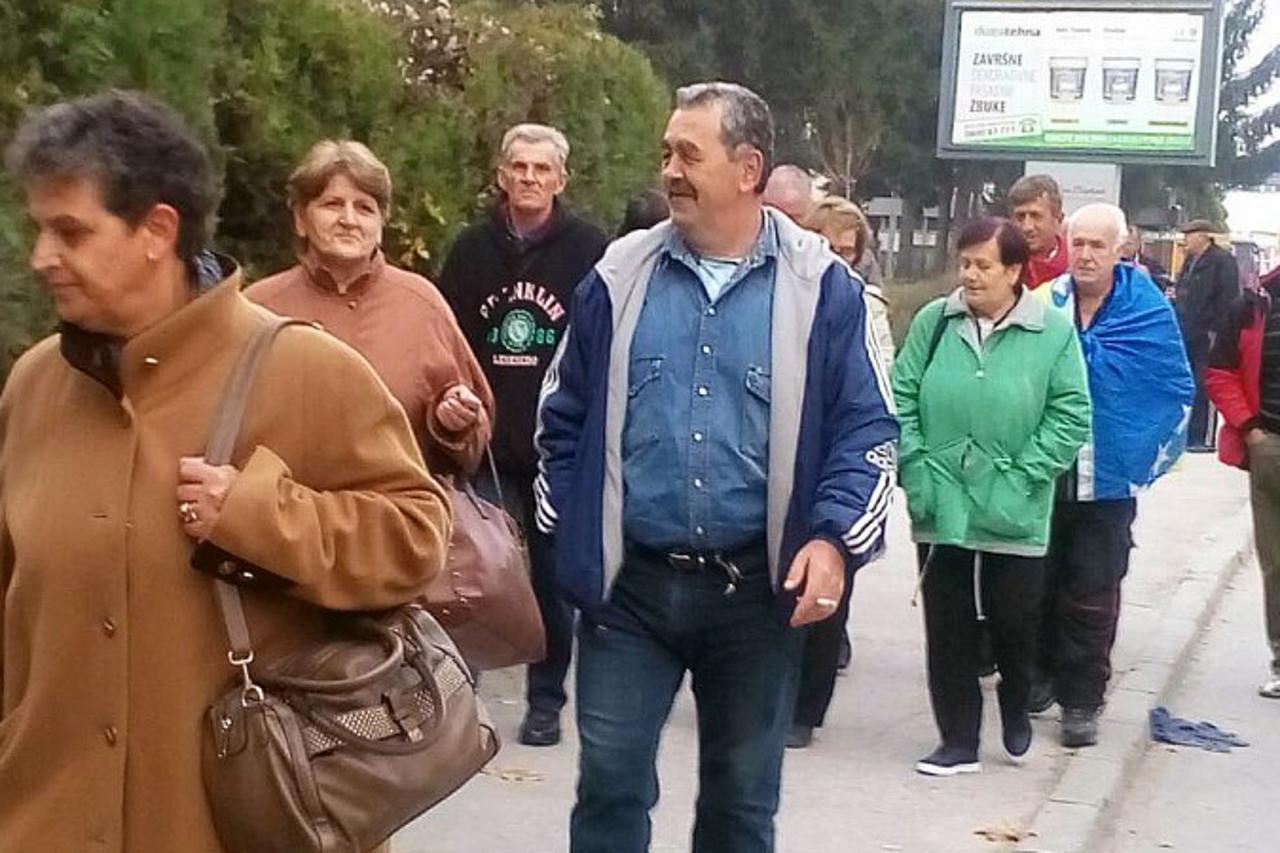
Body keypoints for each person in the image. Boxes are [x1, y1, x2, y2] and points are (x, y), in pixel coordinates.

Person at [0, 91, 451, 853]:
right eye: (39, 229)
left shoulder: (304, 369)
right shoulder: (34, 385)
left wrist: (261, 517)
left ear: (158, 230)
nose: (42, 256)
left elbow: (417, 537)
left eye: (70, 231)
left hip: (236, 826)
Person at [536, 82, 898, 852]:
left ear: (748, 169)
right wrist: (572, 534)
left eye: (688, 154)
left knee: (740, 806)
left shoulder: (825, 290)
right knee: (609, 786)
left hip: (756, 597)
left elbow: (868, 431)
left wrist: (833, 541)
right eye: (667, 152)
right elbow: (559, 416)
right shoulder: (617, 277)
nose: (669, 169)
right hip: (630, 591)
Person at [893, 217, 1090, 776]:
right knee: (947, 624)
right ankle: (957, 739)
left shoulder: (1052, 332)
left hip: (1014, 499)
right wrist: (916, 465)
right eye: (965, 264)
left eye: (984, 265)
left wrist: (1027, 473)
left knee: (1014, 620)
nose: (971, 276)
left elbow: (1071, 413)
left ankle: (1016, 696)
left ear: (1014, 271)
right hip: (942, 495)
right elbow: (901, 394)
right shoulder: (935, 322)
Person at [436, 123, 607, 746]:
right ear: (502, 176)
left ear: (561, 179)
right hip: (486, 443)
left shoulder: (590, 249)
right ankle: (462, 697)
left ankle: (545, 700)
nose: (530, 178)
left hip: (558, 447)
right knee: (478, 577)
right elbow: (445, 341)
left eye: (542, 169)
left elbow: (603, 344)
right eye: (520, 167)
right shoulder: (469, 250)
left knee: (552, 583)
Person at [1033, 204, 1194, 747]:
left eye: (1097, 245)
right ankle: (1039, 673)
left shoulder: (1146, 309)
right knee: (1038, 579)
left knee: (1092, 587)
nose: (1085, 255)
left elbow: (1170, 384)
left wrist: (1138, 450)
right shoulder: (1043, 303)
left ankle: (1082, 699)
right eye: (1078, 243)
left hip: (1109, 477)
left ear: (1121, 249)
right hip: (1045, 469)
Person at [246, 139, 493, 476]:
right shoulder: (257, 308)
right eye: (332, 204)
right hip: (284, 503)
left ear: (380, 224)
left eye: (364, 208)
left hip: (397, 505)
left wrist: (452, 424)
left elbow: (476, 438)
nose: (349, 220)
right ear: (301, 219)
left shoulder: (422, 305)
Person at [786, 193, 895, 749]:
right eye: (826, 245)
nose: (836, 257)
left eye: (847, 250)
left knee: (831, 573)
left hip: (838, 452)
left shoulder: (864, 305)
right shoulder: (782, 293)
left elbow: (880, 385)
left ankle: (807, 707)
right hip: (786, 449)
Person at [1204, 270, 1280, 698]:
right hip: (1271, 447)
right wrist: (1250, 431)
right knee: (1277, 562)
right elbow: (1220, 371)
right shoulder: (1254, 305)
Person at [1174, 219, 1241, 451]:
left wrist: (1218, 332)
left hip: (1209, 334)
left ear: (1202, 236)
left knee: (1205, 384)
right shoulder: (1190, 261)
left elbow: (1229, 299)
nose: (1185, 240)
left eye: (1189, 235)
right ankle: (1189, 433)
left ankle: (1203, 437)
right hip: (1188, 331)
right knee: (1189, 382)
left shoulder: (1222, 261)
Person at [1008, 174, 1067, 289]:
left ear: (1058, 219)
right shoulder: (1000, 264)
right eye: (1020, 217)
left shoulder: (1075, 267)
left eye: (1036, 216)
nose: (1027, 227)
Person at [1121, 224, 1171, 292]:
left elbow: (1164, 282)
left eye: (1129, 244)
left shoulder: (1151, 265)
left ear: (1138, 244)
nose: (1124, 247)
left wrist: (1148, 277)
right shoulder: (1110, 262)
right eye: (1122, 244)